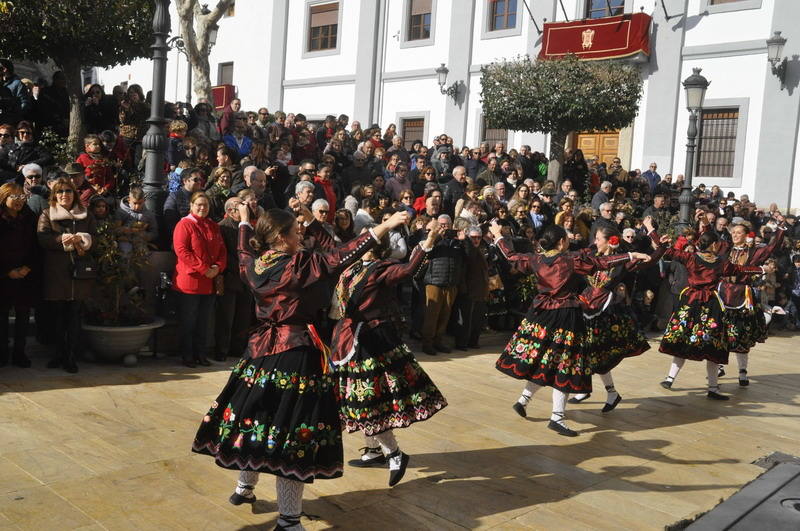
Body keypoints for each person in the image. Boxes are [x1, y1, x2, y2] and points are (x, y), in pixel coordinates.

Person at [191, 203, 408, 530]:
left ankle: (244, 487)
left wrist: (246, 222)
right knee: (292, 437)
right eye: (296, 231)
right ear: (280, 236)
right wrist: (385, 224)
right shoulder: (299, 265)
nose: (301, 233)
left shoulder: (254, 265)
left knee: (259, 419)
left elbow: (242, 249)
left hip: (260, 353)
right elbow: (341, 254)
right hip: (296, 353)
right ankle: (289, 521)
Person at [490, 222, 648, 436]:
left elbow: (511, 256)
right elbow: (600, 263)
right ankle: (556, 417)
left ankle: (525, 401)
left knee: (544, 360)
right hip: (565, 315)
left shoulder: (536, 258)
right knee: (564, 365)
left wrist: (498, 235)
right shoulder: (569, 260)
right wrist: (630, 255)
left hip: (542, 314)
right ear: (562, 241)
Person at [330, 223, 447, 486]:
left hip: (371, 340)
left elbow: (407, 271)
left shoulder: (381, 268)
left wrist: (427, 243)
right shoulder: (351, 267)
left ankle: (394, 453)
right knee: (360, 397)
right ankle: (373, 451)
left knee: (368, 400)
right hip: (347, 338)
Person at [658, 231, 771, 400]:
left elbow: (668, 252)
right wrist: (761, 269)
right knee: (713, 346)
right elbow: (741, 270)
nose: (719, 245)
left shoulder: (692, 258)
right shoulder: (720, 263)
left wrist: (654, 234)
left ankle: (671, 379)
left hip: (691, 303)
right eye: (717, 243)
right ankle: (711, 388)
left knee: (685, 339)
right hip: (710, 306)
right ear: (713, 245)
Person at [569, 220, 668, 410]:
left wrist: (660, 244)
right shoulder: (592, 254)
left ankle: (604, 391)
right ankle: (599, 391)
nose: (595, 242)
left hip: (607, 309)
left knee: (597, 353)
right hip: (587, 303)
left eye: (598, 239)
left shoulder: (623, 261)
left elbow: (651, 260)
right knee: (587, 351)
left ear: (609, 241)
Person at [37, 178, 96, 373]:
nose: (64, 195)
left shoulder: (86, 216)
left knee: (74, 317)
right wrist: (62, 239)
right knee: (57, 317)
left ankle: (71, 356)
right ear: (54, 195)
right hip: (57, 273)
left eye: (68, 191)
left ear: (74, 194)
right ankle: (58, 354)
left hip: (79, 274)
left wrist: (84, 239)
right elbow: (43, 238)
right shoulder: (47, 214)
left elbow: (95, 238)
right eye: (60, 191)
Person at [717, 219, 786, 386]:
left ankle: (742, 372)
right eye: (733, 232)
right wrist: (704, 223)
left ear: (746, 235)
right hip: (723, 295)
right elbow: (708, 242)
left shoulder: (754, 252)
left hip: (743, 296)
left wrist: (781, 230)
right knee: (721, 332)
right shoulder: (725, 248)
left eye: (739, 232)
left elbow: (771, 248)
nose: (735, 235)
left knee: (742, 334)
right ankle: (718, 365)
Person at [172, 192, 227, 368]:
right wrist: (204, 269)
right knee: (189, 322)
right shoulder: (184, 224)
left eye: (205, 205)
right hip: (190, 282)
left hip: (209, 282)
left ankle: (201, 354)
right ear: (191, 205)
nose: (202, 208)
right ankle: (187, 355)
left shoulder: (213, 225)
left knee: (204, 322)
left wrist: (218, 267)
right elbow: (182, 251)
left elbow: (222, 250)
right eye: (199, 205)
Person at [0, 182, 39, 368]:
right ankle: (2, 352)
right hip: (4, 275)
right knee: (2, 316)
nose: (18, 201)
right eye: (14, 197)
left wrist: (27, 267)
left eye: (21, 197)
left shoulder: (30, 217)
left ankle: (20, 352)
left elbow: (35, 246)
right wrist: (8, 271)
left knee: (23, 314)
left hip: (25, 273)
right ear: (4, 198)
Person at [214, 196, 253, 362]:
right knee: (226, 317)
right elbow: (222, 253)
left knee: (244, 317)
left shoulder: (247, 226)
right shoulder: (222, 227)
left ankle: (238, 348)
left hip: (246, 279)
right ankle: (221, 349)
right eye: (240, 206)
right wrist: (241, 265)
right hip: (230, 276)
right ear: (230, 211)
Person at [421, 215, 464, 355]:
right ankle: (427, 343)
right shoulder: (431, 237)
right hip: (434, 282)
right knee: (431, 316)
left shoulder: (456, 241)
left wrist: (463, 240)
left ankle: (438, 341)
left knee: (445, 315)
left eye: (446, 225)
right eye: (441, 224)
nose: (444, 227)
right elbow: (426, 251)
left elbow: (467, 256)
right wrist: (438, 236)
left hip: (451, 283)